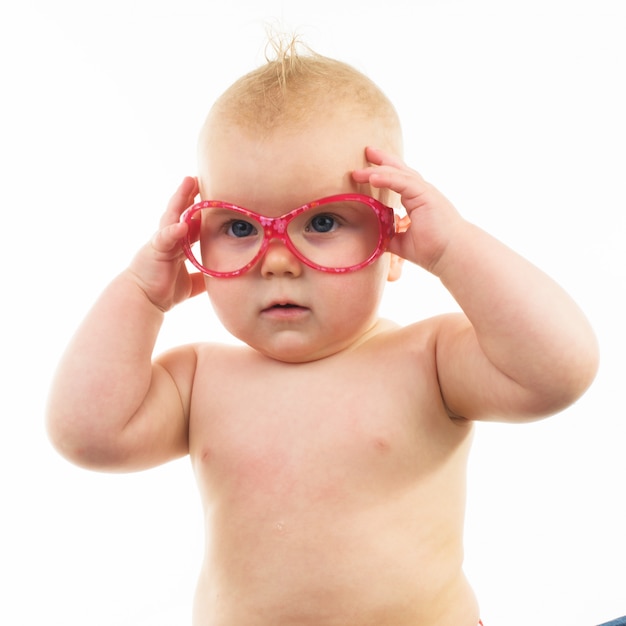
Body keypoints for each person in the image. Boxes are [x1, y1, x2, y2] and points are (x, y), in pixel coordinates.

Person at [46, 36, 599, 626]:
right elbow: (87, 434)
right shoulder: (199, 379)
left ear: (393, 245)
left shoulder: (429, 361)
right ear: (194, 237)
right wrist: (139, 295)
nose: (275, 258)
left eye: (325, 221)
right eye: (237, 227)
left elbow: (557, 371)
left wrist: (453, 248)